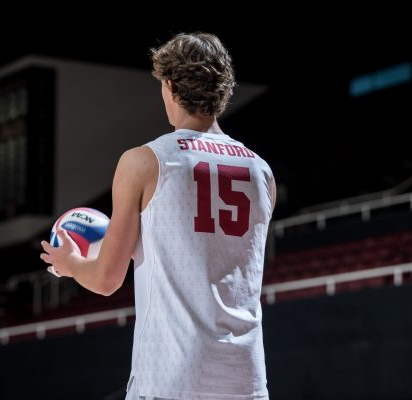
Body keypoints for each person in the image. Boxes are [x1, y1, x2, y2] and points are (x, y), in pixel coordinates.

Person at [40, 32, 276, 400]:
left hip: (172, 376)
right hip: (245, 378)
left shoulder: (145, 162)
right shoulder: (262, 173)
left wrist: (70, 263)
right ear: (223, 90)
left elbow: (106, 280)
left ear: (169, 85)